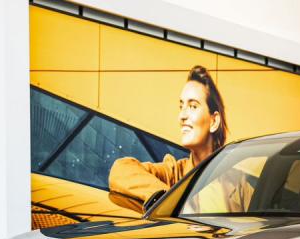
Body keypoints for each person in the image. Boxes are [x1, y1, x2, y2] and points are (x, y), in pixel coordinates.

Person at [109, 65, 254, 213]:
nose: (182, 116)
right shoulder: (174, 174)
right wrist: (174, 202)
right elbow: (121, 170)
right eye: (181, 106)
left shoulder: (240, 186)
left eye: (193, 106)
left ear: (214, 121)